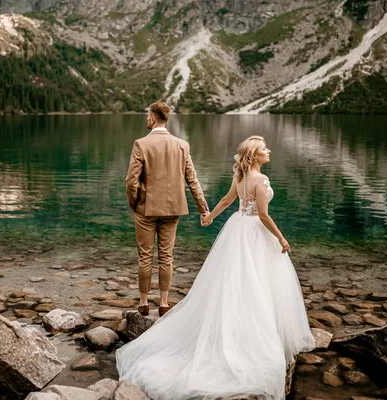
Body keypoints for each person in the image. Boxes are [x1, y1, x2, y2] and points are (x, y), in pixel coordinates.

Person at [117, 135, 315, 400]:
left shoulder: (242, 178)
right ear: (255, 155)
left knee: (236, 279)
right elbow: (264, 216)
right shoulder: (262, 180)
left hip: (237, 228)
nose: (268, 151)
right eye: (264, 149)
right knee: (259, 281)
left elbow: (225, 201)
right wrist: (280, 237)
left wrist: (209, 217)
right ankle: (258, 335)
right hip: (255, 231)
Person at [125, 101, 209, 317]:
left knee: (145, 257)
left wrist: (133, 203)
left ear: (153, 118)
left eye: (147, 116)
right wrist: (203, 208)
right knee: (166, 256)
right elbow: (192, 180)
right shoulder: (182, 145)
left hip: (145, 209)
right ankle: (163, 303)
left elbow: (131, 180)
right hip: (173, 209)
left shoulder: (140, 144)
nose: (147, 119)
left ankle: (143, 302)